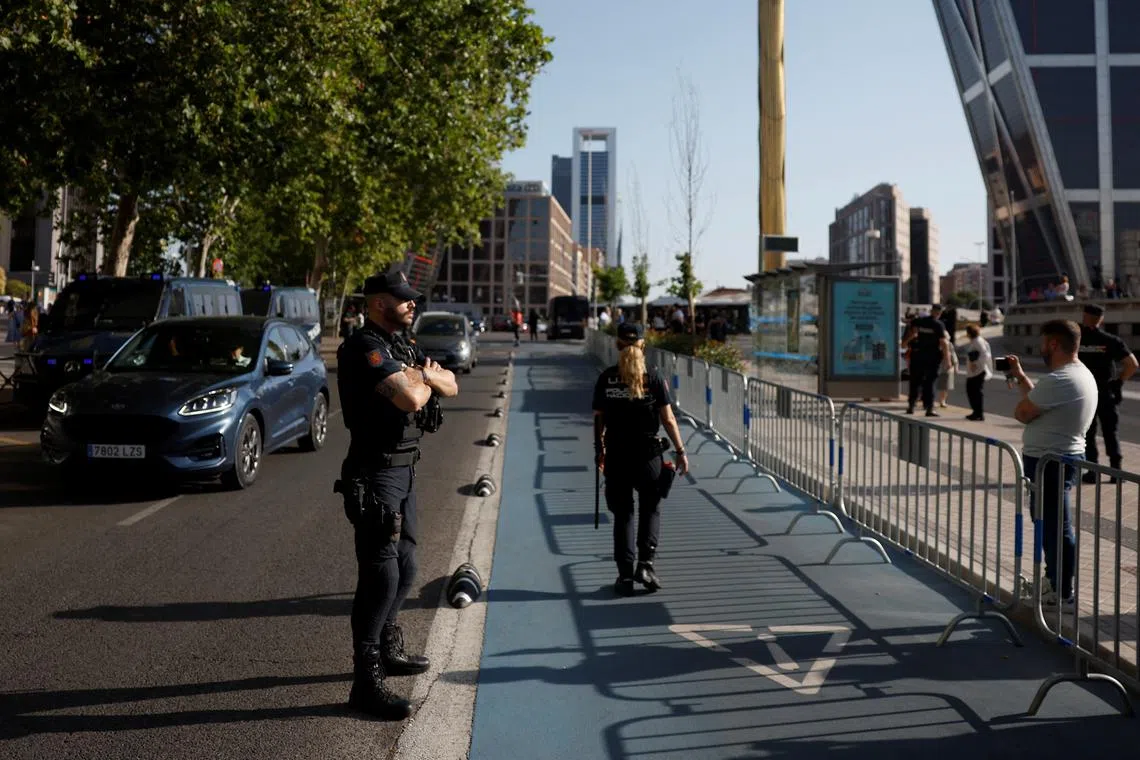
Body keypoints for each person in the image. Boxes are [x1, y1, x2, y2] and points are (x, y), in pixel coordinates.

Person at [336, 270, 459, 720]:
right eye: (403, 299)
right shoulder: (363, 348)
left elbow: (451, 383)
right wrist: (421, 381)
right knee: (380, 573)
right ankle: (364, 681)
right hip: (374, 471)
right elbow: (409, 400)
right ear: (378, 303)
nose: (412, 305)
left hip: (405, 468)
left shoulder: (402, 348)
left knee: (407, 562)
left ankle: (388, 644)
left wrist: (420, 376)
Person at [592, 322, 689, 596]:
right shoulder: (654, 377)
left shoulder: (606, 377)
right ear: (643, 345)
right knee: (650, 509)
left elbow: (598, 418)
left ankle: (624, 576)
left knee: (623, 515)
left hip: (617, 456)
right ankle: (645, 565)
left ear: (617, 344)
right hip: (649, 456)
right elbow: (668, 419)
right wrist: (681, 452)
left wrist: (599, 450)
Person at [1007, 320, 1097, 606]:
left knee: (1055, 527)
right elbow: (1036, 405)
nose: (1042, 348)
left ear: (1054, 344)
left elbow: (1023, 412)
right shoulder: (1076, 375)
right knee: (1051, 524)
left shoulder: (1062, 379)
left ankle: (1061, 590)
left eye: (1044, 342)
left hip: (1052, 461)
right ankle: (1055, 583)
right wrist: (1020, 376)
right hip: (1055, 459)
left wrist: (1026, 405)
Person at [1077, 303, 1138, 482]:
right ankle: (1116, 473)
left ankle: (1092, 471)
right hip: (1106, 391)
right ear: (1101, 320)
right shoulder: (1110, 340)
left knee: (1088, 432)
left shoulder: (1076, 339)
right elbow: (1132, 364)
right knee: (1111, 432)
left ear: (1085, 316)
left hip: (1085, 392)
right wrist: (1118, 381)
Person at [903, 304, 952, 417]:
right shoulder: (938, 325)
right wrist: (947, 360)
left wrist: (906, 343)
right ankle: (929, 408)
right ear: (939, 313)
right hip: (932, 357)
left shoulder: (918, 321)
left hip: (917, 355)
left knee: (915, 381)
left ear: (931, 311)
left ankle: (911, 406)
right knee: (930, 382)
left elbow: (913, 334)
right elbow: (944, 343)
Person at [964, 323, 992, 421]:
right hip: (975, 372)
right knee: (973, 392)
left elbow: (984, 354)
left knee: (974, 392)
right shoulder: (976, 340)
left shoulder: (977, 341)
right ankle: (977, 412)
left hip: (977, 372)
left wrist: (975, 363)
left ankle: (978, 413)